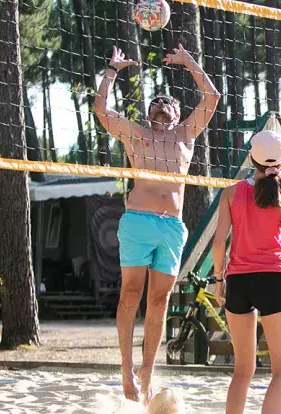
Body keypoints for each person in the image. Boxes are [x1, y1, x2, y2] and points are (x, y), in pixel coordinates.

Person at [94, 44, 221, 402]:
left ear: (178, 113)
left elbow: (212, 96)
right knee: (130, 295)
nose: (162, 103)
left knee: (159, 301)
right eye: (157, 100)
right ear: (149, 112)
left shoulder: (185, 136)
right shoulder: (136, 133)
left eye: (169, 101)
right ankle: (125, 370)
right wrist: (112, 70)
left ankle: (146, 374)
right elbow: (101, 109)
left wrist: (189, 62)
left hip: (171, 227)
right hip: (137, 220)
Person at [211, 130, 281, 414]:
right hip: (271, 281)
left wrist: (219, 280)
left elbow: (218, 242)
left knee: (242, 370)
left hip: (237, 282)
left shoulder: (231, 193)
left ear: (251, 158)